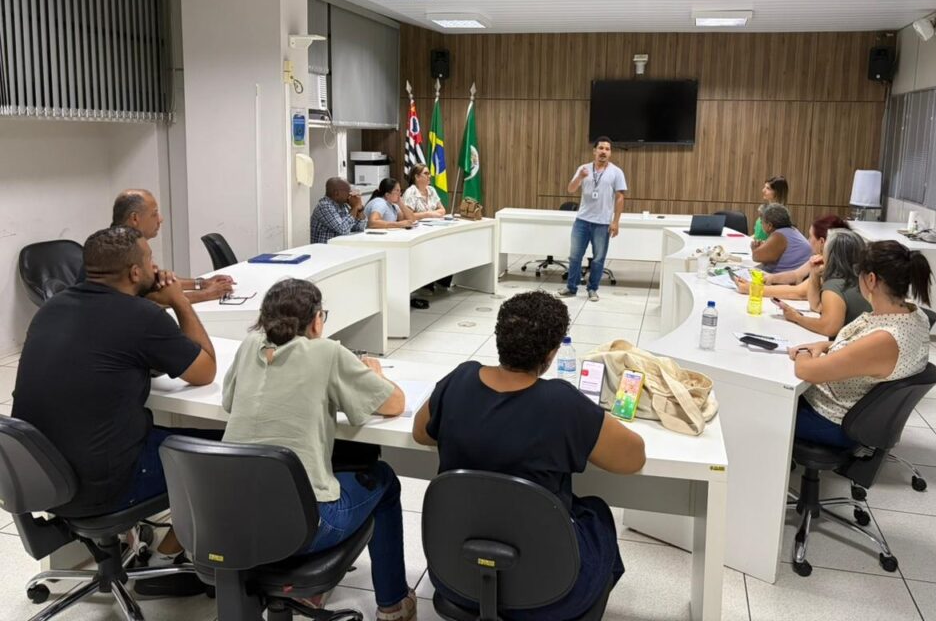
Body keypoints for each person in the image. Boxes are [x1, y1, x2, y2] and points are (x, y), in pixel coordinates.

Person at [413, 291, 645, 620]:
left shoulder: (459, 380)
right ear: (551, 354)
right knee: (596, 513)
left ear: (498, 339)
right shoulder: (563, 404)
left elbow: (420, 433)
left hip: (456, 580)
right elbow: (633, 458)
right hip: (553, 592)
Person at [12, 226, 217, 564]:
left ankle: (135, 541)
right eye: (150, 260)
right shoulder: (142, 317)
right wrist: (180, 301)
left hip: (41, 478)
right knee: (225, 454)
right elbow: (204, 371)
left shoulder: (52, 308)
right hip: (104, 487)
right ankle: (165, 560)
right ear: (135, 272)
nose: (156, 268)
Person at [222, 279, 414, 619]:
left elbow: (228, 401)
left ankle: (313, 593)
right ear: (316, 321)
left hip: (233, 522)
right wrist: (377, 374)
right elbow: (395, 403)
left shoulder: (249, 345)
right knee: (383, 480)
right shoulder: (326, 352)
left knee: (328, 467)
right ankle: (393, 604)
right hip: (303, 530)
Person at [787, 240, 932, 448]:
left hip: (829, 419)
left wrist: (801, 350)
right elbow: (862, 351)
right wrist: (823, 346)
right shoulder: (914, 316)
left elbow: (806, 371)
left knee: (759, 405)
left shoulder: (885, 339)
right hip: (857, 413)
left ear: (871, 279)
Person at [104, 189, 234, 302]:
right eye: (154, 213)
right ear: (135, 219)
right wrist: (207, 294)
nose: (160, 219)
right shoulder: (116, 250)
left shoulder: (125, 241)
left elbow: (156, 284)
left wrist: (202, 283)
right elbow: (148, 299)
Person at [558, 137, 627, 302]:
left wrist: (616, 221)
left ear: (610, 153)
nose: (604, 151)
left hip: (602, 223)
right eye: (601, 148)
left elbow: (620, 197)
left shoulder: (616, 172)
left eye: (607, 149)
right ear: (594, 151)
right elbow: (571, 189)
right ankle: (571, 287)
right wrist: (580, 177)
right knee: (575, 256)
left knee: (598, 258)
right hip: (582, 221)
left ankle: (592, 289)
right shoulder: (584, 168)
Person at [775, 229, 871, 338]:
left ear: (831, 255)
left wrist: (796, 317)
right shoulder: (862, 280)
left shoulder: (835, 286)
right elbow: (816, 306)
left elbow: (829, 328)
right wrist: (814, 274)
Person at [732, 214, 849, 300]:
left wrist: (752, 289)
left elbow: (799, 292)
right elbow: (796, 274)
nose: (808, 241)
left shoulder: (834, 265)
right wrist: (771, 278)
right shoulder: (820, 257)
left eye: (810, 237)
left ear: (822, 242)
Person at [750, 203, 812, 273]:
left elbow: (756, 256)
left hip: (782, 279)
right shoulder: (793, 230)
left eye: (762, 222)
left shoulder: (778, 236)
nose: (761, 224)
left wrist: (754, 248)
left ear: (769, 225)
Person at [311, 177, 367, 242]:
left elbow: (359, 228)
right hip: (324, 249)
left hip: (338, 247)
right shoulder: (324, 206)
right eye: (348, 191)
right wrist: (355, 207)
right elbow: (343, 229)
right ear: (336, 193)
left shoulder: (343, 205)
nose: (350, 194)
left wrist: (359, 210)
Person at [752, 176, 788, 246]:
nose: (763, 190)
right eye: (765, 187)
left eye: (768, 188)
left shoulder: (780, 216)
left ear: (777, 192)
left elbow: (776, 242)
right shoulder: (766, 209)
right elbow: (758, 235)